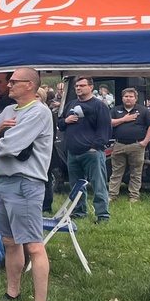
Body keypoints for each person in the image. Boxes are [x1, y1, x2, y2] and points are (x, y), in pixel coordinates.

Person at [0, 67, 54, 301]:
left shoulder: (39, 113)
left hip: (25, 183)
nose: (8, 86)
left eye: (14, 82)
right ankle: (13, 293)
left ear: (30, 86)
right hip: (1, 183)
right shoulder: (8, 111)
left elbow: (12, 146)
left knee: (33, 245)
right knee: (9, 242)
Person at [58, 77, 113, 223]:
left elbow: (105, 129)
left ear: (91, 87)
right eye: (76, 86)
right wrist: (66, 121)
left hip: (91, 153)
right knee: (76, 186)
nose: (78, 88)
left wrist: (95, 147)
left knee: (98, 184)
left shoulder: (99, 106)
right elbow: (61, 124)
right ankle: (78, 211)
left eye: (82, 85)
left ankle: (103, 215)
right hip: (72, 153)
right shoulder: (71, 104)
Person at [108, 87, 150, 203]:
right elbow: (108, 123)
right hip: (119, 144)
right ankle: (112, 195)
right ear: (122, 98)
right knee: (116, 172)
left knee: (136, 172)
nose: (128, 99)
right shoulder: (115, 110)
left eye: (131, 97)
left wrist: (145, 142)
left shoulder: (143, 111)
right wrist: (124, 119)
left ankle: (134, 196)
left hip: (137, 145)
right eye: (126, 96)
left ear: (135, 99)